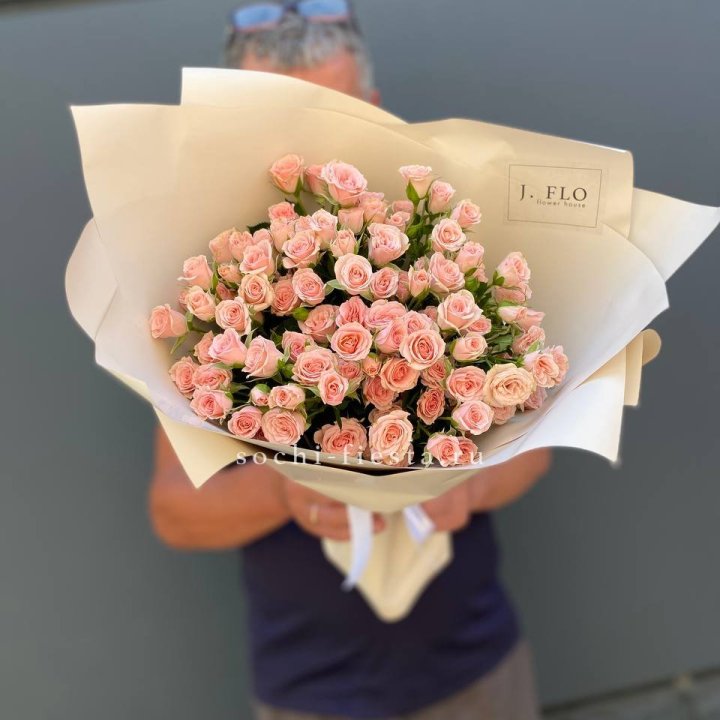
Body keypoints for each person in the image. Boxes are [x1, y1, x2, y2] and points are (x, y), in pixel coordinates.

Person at [151, 3, 550, 718]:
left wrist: (468, 484)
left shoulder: (447, 241)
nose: (307, 147)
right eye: (278, 121)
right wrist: (286, 493)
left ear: (374, 108)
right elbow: (175, 512)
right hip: (312, 687)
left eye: (333, 115)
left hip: (476, 662)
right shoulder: (206, 284)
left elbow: (537, 449)